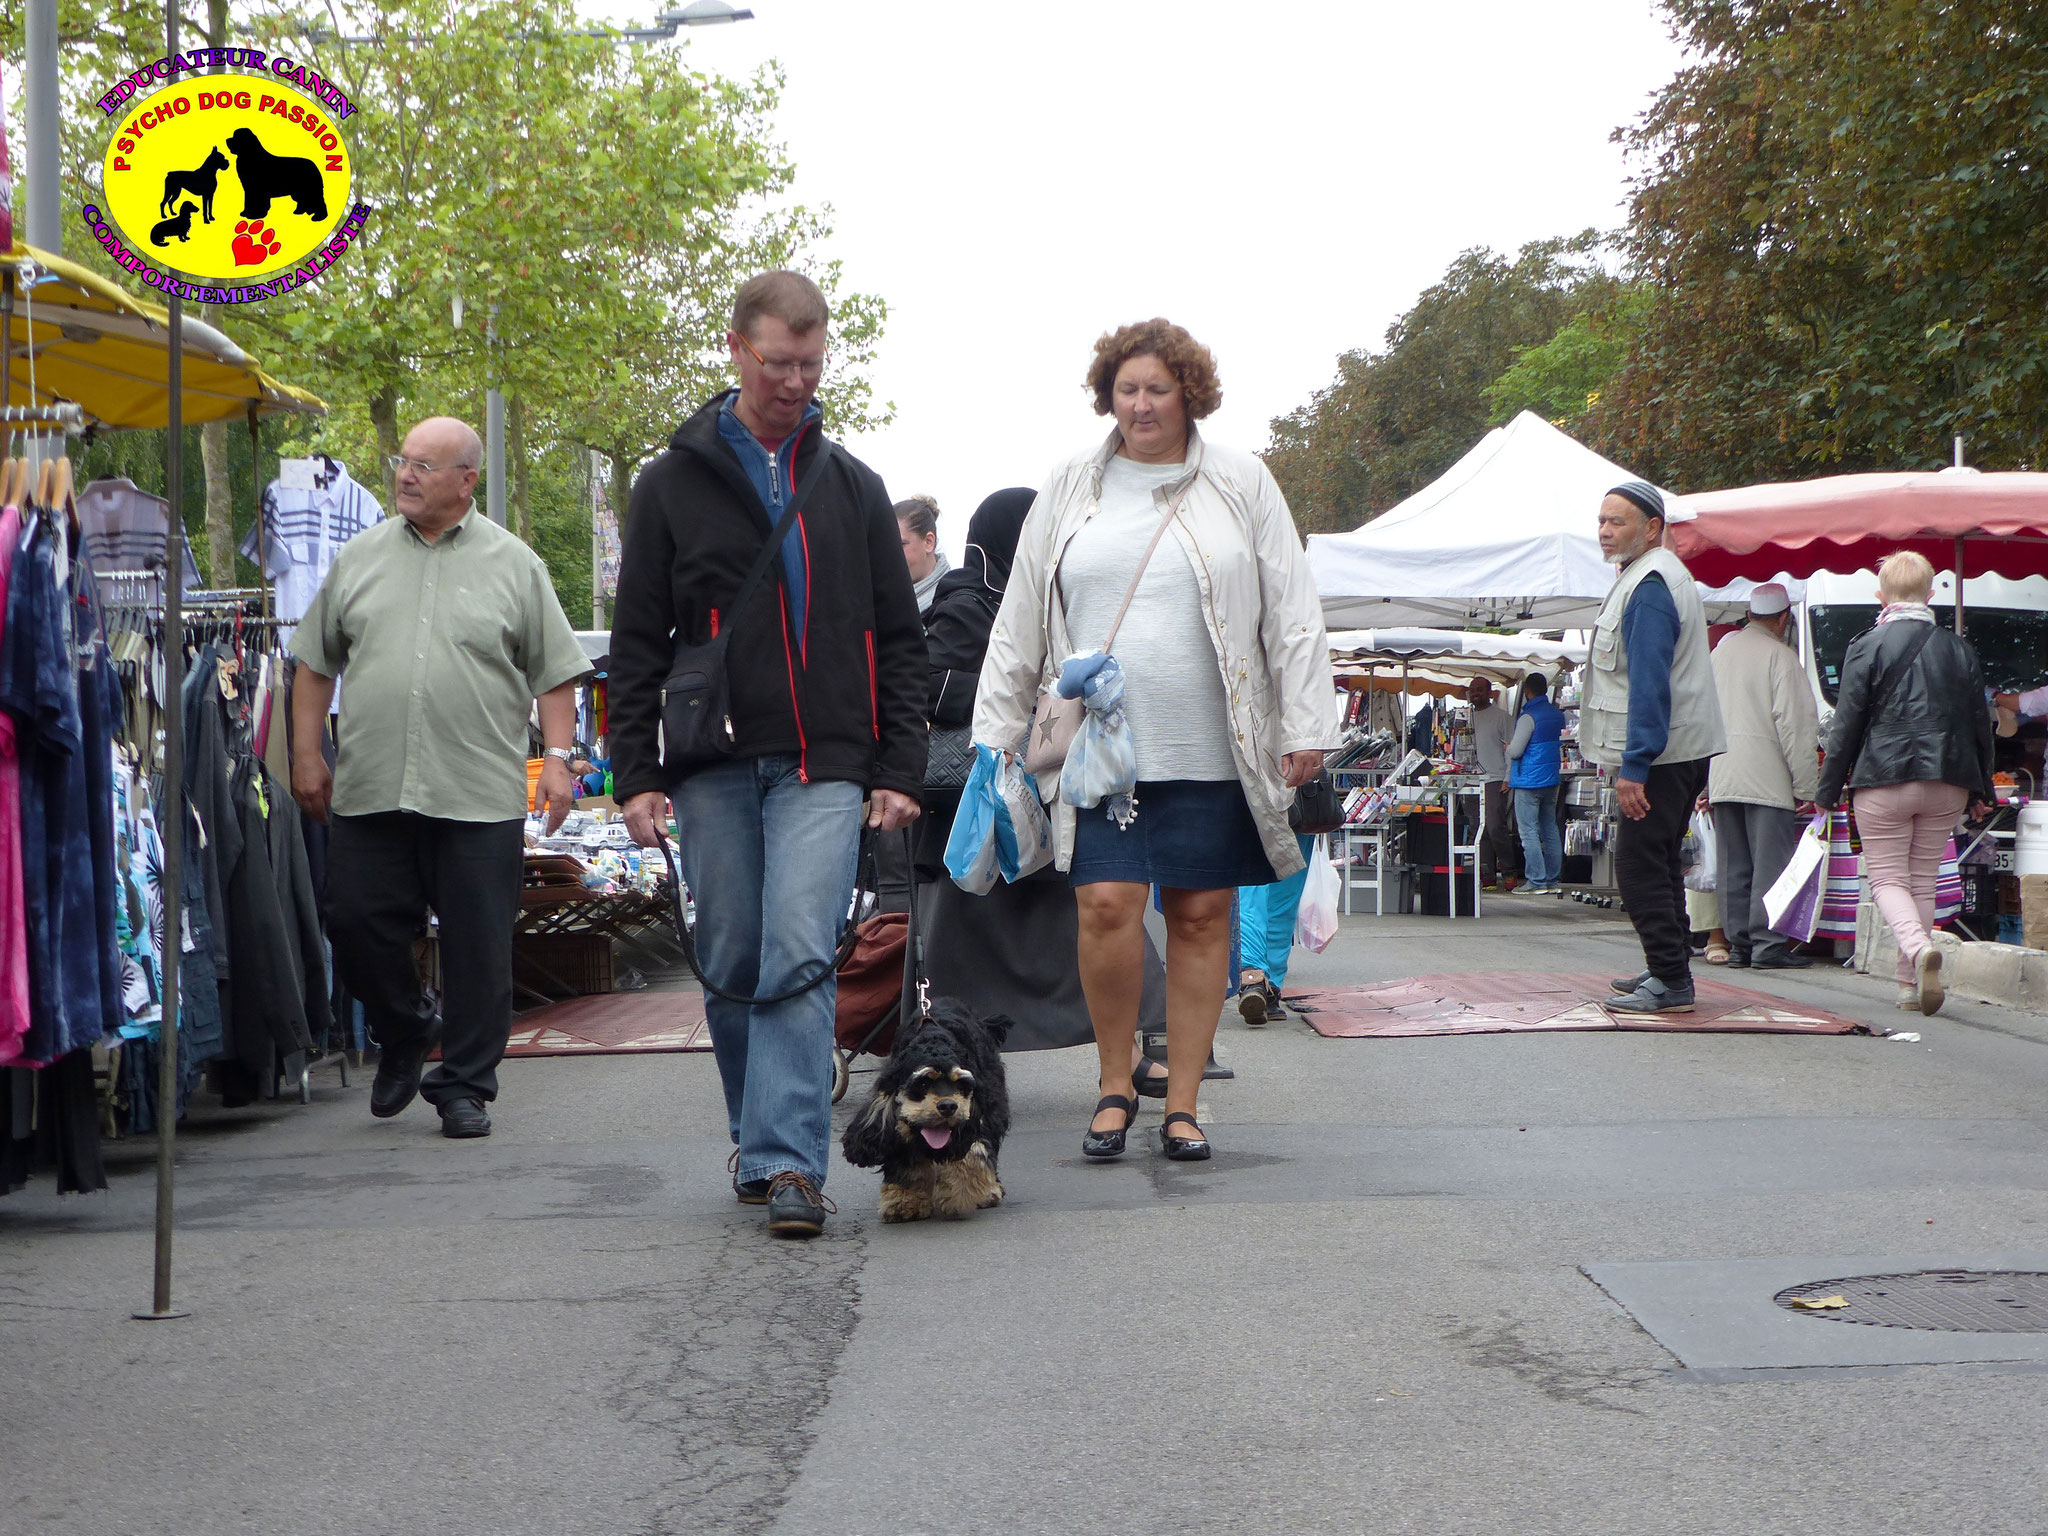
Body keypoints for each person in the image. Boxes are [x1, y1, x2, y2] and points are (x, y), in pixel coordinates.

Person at [609, 270, 928, 1239]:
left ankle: (790, 1161)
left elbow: (899, 640)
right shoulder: (667, 487)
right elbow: (636, 640)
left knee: (797, 951)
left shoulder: (852, 487)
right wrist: (636, 773)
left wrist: (897, 770)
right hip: (710, 762)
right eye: (780, 361)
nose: (796, 381)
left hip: (825, 762)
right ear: (738, 350)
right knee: (732, 954)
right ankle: (756, 1139)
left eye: (811, 362)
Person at [974, 318, 1339, 1161]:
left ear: (1190, 395)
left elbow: (1292, 609)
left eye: (1158, 390)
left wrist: (1307, 725)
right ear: (1109, 396)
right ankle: (1112, 1082)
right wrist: (995, 733)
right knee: (1105, 906)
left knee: (1203, 915)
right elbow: (1021, 611)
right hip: (1103, 749)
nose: (1141, 405)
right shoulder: (1070, 485)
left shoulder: (1242, 482)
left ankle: (1182, 1105)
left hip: (1215, 743)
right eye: (1127, 390)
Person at [289, 416, 589, 1140]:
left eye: (425, 464)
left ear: (466, 480)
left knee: (479, 949)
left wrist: (555, 763)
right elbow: (313, 663)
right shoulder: (358, 559)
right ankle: (404, 1025)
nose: (405, 474)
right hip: (371, 786)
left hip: (476, 793)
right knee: (355, 922)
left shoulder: (515, 564)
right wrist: (304, 754)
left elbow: (555, 674)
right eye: (403, 460)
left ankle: (464, 1086)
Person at [917, 488, 1171, 1063]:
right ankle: (1144, 1038)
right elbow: (933, 687)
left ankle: (1143, 1038)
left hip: (1018, 801)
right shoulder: (969, 605)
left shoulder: (1025, 602)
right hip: (985, 801)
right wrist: (1011, 699)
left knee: (1073, 919)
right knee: (1052, 925)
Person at [1817, 551, 1994, 1016]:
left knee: (1888, 880)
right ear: (1931, 594)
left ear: (1880, 595)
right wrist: (1984, 790)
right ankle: (1907, 987)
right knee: (1922, 880)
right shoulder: (1959, 648)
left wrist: (1827, 788)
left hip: (1883, 776)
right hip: (1948, 778)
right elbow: (1982, 723)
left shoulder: (1866, 646)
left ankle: (1917, 952)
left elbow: (1847, 726)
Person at [1583, 481, 1727, 1015]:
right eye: (1601, 520)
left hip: (1662, 753)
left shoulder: (1649, 585)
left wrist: (1634, 764)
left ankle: (1670, 979)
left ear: (1651, 528)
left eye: (1616, 521)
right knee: (1661, 859)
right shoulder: (1652, 577)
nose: (1604, 530)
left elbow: (1649, 683)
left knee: (1639, 863)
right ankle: (1669, 967)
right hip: (1679, 748)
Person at [1707, 583, 1821, 969]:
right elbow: (1796, 727)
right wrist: (1806, 783)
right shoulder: (1781, 657)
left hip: (1721, 772)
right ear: (1783, 618)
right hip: (1766, 777)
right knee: (1770, 864)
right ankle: (1767, 945)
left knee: (1733, 864)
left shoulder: (1719, 654)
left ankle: (1739, 943)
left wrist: (1704, 781)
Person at [1233, 837, 1316, 1025]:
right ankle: (1271, 986)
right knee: (1285, 893)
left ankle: (1253, 977)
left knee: (1251, 886)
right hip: (1298, 811)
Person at [1505, 670, 1565, 893]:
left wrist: (1507, 748)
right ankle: (1552, 880)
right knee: (1550, 829)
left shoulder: (1527, 717)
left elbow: (1516, 751)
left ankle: (1536, 881)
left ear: (1527, 692)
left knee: (1528, 830)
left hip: (1529, 781)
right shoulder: (1558, 715)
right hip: (1551, 779)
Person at [1466, 677, 1519, 892]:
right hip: (1467, 779)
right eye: (1472, 690)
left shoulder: (1502, 718)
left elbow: (1512, 749)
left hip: (1495, 778)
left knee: (1496, 826)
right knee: (1478, 828)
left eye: (1480, 689)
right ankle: (1486, 873)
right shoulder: (1464, 718)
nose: (1475, 693)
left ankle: (1509, 871)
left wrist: (1509, 776)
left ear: (1490, 692)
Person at [896, 495, 949, 613]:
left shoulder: (956, 607)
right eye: (885, 548)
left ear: (929, 542)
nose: (890, 558)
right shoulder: (877, 604)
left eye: (900, 545)